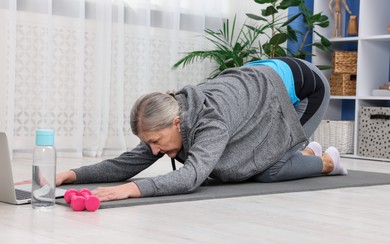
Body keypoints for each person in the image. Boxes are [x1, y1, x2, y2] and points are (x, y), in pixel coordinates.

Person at [56, 57, 348, 202]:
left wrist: (130, 190)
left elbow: (191, 176)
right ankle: (307, 151)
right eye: (150, 144)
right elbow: (126, 163)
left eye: (155, 142)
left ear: (176, 122)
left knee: (267, 171)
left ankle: (326, 161)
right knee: (256, 164)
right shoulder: (172, 117)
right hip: (262, 79)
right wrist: (71, 175)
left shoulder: (211, 120)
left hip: (305, 88)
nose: (154, 151)